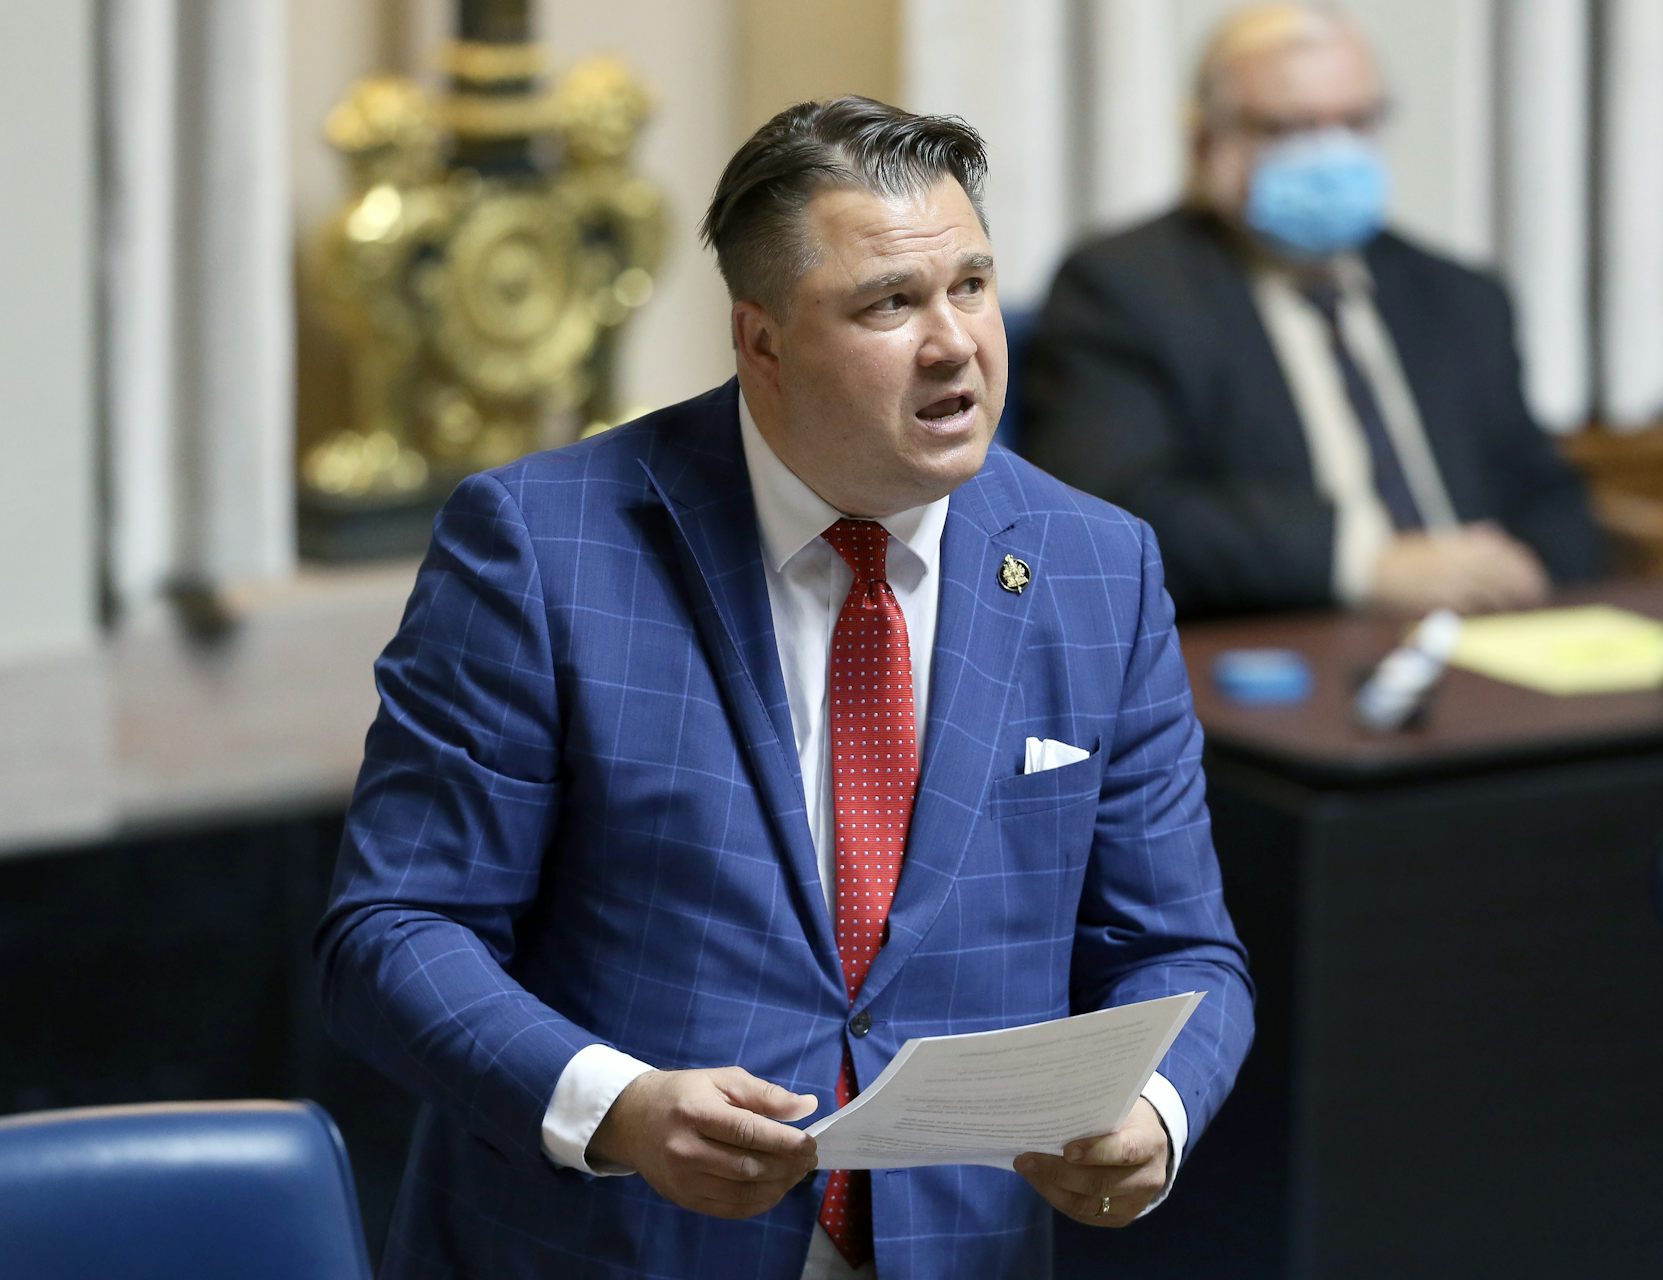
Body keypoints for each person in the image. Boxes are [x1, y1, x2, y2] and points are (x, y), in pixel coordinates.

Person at [315, 96, 1254, 1279]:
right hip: (617, 1244)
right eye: (889, 304)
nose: (956, 341)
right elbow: (396, 930)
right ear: (760, 343)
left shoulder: (1095, 565)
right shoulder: (541, 548)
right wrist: (620, 1106)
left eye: (971, 284)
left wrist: (1156, 1115)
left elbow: (1185, 954)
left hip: (956, 1246)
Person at [1021, 2, 1607, 619]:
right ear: (1206, 143)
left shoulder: (1461, 298)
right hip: (1287, 651)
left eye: (1355, 123)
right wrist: (1363, 564)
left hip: (1492, 644)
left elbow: (1551, 500)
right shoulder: (1125, 290)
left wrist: (1521, 568)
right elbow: (1108, 518)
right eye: (1288, 129)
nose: (1330, 154)